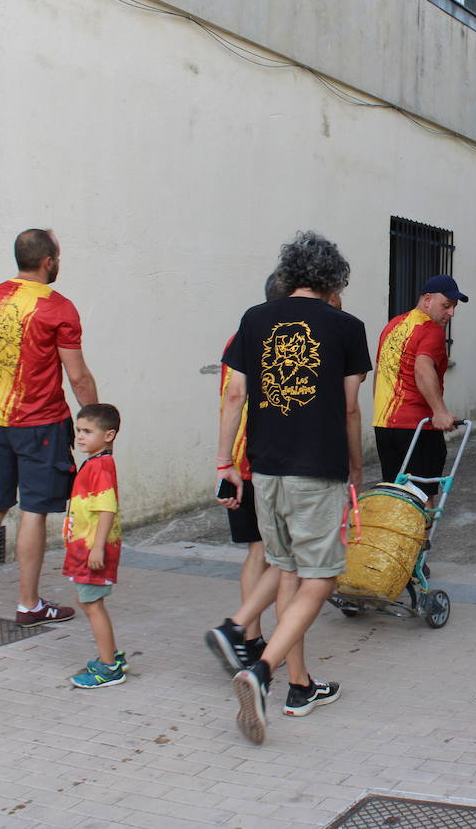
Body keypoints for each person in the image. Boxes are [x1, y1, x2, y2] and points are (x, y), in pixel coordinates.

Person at [216, 231, 372, 744]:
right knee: (321, 579)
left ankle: (299, 687)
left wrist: (225, 462)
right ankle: (261, 673)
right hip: (317, 468)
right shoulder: (347, 327)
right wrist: (355, 467)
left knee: (286, 570)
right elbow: (350, 407)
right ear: (333, 279)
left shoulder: (254, 318)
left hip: (266, 469)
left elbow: (234, 392)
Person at [0, 229, 98, 624]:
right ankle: (28, 604)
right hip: (40, 424)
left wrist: (9, 359)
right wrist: (98, 423)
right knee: (33, 510)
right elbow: (78, 376)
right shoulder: (59, 307)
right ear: (48, 261)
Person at [206, 273, 287, 674]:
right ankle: (243, 635)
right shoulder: (272, 337)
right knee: (272, 554)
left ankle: (248, 638)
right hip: (258, 462)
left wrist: (223, 462)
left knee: (257, 550)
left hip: (238, 460)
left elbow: (232, 396)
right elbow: (239, 396)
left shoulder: (240, 335)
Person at [373, 276, 466, 498]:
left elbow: (379, 372)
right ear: (427, 300)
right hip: (418, 427)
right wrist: (440, 412)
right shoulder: (431, 329)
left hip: (384, 426)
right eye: (446, 306)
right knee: (422, 499)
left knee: (396, 497)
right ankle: (422, 534)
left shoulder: (393, 325)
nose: (451, 313)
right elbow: (422, 368)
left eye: (454, 307)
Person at [62, 403, 127, 689]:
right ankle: (110, 655)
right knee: (88, 601)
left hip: (92, 550)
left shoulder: (100, 466)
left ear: (109, 435)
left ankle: (109, 667)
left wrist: (98, 548)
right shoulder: (95, 463)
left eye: (88, 431)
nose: (80, 437)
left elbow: (106, 509)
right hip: (85, 548)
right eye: (78, 430)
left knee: (91, 603)